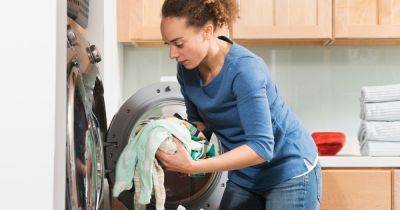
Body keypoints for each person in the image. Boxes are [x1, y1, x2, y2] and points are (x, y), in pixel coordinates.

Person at [156, 0, 322, 209]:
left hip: (289, 170)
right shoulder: (186, 70)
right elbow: (199, 127)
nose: (172, 54)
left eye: (179, 44)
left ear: (207, 31)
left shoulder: (244, 71)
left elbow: (261, 148)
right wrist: (167, 137)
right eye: (168, 44)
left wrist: (193, 165)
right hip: (246, 175)